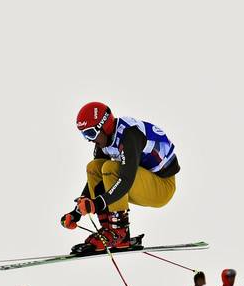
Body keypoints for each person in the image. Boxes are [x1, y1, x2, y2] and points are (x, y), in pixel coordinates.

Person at [62, 102, 180, 254]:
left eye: (90, 133)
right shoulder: (104, 141)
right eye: (84, 135)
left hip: (163, 187)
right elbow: (96, 179)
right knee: (93, 167)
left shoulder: (129, 135)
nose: (89, 140)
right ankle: (108, 229)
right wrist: (76, 212)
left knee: (110, 168)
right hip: (141, 181)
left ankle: (120, 233)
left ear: (104, 126)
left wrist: (96, 203)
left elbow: (126, 179)